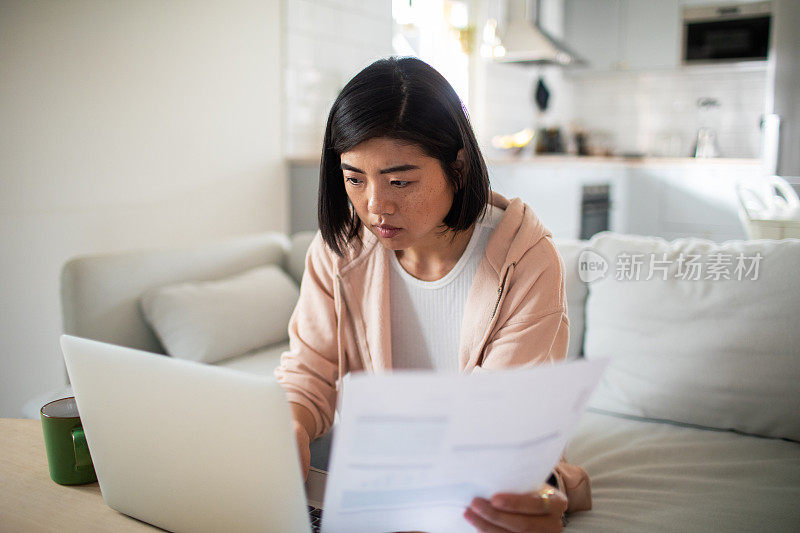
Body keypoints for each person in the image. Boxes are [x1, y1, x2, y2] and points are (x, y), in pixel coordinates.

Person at [274, 56, 591, 532]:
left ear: (457, 165)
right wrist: (291, 426)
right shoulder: (339, 251)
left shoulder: (526, 259)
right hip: (376, 469)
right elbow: (311, 369)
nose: (375, 206)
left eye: (400, 180)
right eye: (354, 178)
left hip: (476, 469)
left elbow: (500, 423)